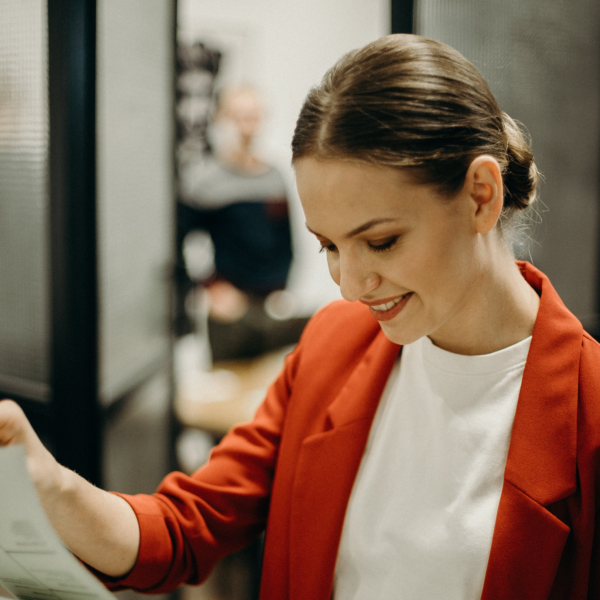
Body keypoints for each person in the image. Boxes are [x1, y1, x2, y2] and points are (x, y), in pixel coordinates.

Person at [1, 34, 600, 600]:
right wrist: (49, 485)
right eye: (330, 247)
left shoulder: (587, 408)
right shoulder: (334, 346)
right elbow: (188, 525)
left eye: (383, 241)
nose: (351, 288)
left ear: (480, 195)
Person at [177, 85, 307, 360]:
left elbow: (287, 242)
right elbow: (181, 244)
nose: (246, 128)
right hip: (228, 309)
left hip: (271, 304)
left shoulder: (274, 177)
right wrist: (209, 287)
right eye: (238, 118)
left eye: (253, 117)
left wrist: (284, 289)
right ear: (220, 120)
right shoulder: (203, 181)